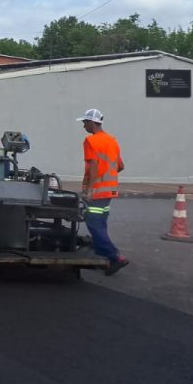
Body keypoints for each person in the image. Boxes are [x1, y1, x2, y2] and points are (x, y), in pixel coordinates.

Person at [78, 108, 129, 276]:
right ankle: (103, 256)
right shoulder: (112, 141)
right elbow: (120, 166)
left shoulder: (90, 141)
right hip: (110, 190)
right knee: (100, 222)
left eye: (85, 122)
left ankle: (115, 257)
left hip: (97, 191)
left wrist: (90, 189)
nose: (84, 126)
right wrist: (108, 175)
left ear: (93, 123)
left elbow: (93, 166)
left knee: (93, 222)